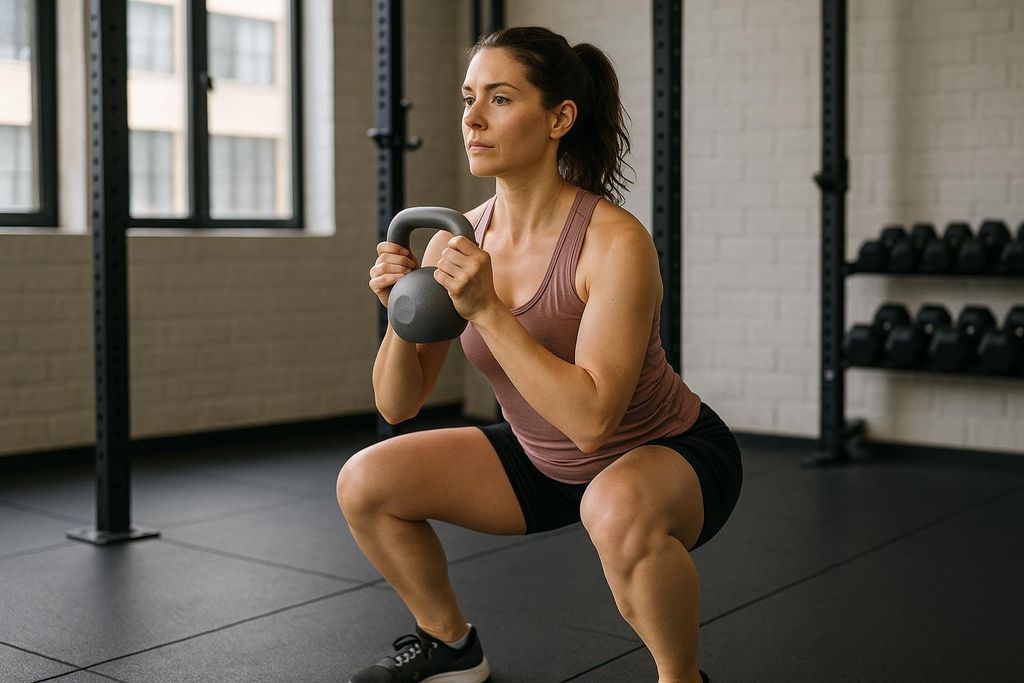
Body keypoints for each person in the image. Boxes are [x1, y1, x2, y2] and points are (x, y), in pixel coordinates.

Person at [338, 26, 742, 683]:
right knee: (366, 481)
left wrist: (488, 310)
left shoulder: (614, 243)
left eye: (499, 98)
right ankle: (451, 646)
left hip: (670, 454)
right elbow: (398, 402)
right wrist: (399, 316)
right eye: (469, 97)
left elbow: (591, 422)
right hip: (544, 461)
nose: (472, 117)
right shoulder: (454, 242)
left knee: (612, 507)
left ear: (559, 118)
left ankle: (682, 676)